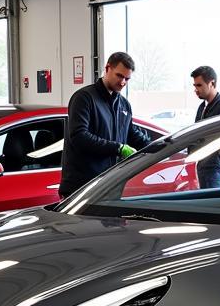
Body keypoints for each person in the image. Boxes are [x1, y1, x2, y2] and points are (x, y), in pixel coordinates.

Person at [58, 51, 152, 198]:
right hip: (82, 186)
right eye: (119, 76)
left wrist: (158, 145)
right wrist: (118, 148)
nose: (123, 83)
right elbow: (79, 137)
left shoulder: (124, 105)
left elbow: (130, 133)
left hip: (109, 184)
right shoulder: (84, 98)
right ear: (107, 68)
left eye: (127, 79)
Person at [191, 65, 220, 189]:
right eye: (194, 86)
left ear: (212, 83)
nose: (196, 89)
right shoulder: (202, 107)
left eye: (199, 85)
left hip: (216, 169)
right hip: (203, 167)